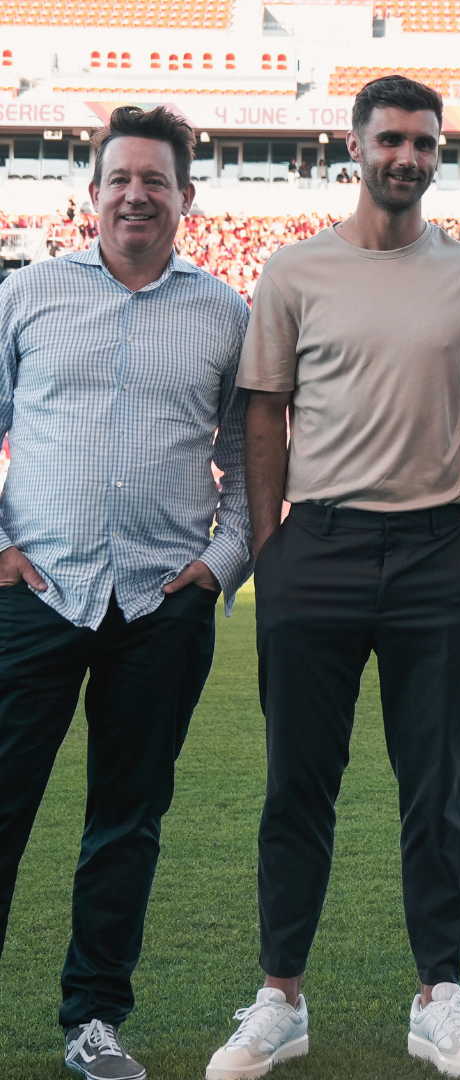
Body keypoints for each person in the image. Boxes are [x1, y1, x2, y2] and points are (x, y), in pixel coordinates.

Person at [205, 76, 460, 1080]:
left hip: (437, 553)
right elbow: (264, 412)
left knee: (438, 788)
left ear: (437, 154)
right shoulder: (294, 270)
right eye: (391, 140)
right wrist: (270, 546)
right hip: (320, 551)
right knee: (299, 784)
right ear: (356, 145)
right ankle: (279, 997)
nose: (408, 158)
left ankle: (441, 996)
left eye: (424, 144)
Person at [0, 105, 251, 1080]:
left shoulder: (225, 313)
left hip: (162, 605)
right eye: (121, 178)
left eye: (157, 179)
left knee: (126, 822)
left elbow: (248, 457)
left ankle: (93, 1019)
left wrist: (218, 568)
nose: (137, 194)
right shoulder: (28, 296)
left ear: (187, 196)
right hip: (37, 595)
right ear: (91, 192)